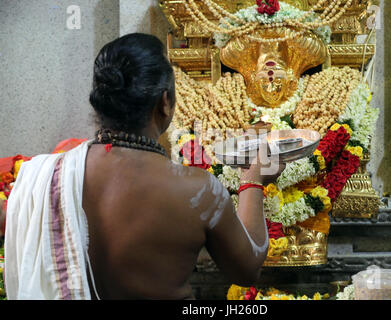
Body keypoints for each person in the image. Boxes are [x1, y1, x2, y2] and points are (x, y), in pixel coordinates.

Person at [4, 33, 283, 300]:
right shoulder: (197, 189)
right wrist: (253, 177)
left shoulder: (46, 177)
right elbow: (248, 267)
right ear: (165, 102)